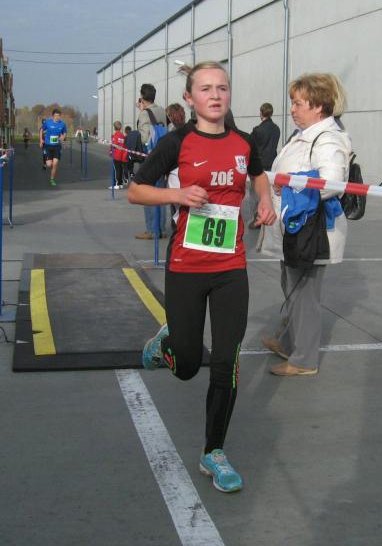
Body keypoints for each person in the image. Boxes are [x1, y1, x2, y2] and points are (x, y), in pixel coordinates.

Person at [128, 61, 276, 493]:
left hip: (230, 267)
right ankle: (166, 344)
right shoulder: (176, 142)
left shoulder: (244, 142)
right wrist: (176, 193)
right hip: (186, 266)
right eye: (206, 89)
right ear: (190, 98)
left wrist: (265, 201)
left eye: (222, 88)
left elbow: (259, 177)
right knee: (188, 366)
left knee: (227, 360)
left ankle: (214, 452)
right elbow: (136, 189)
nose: (215, 95)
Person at [258, 73, 351, 377]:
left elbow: (331, 183)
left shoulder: (327, 139)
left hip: (312, 232)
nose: (293, 109)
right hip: (295, 228)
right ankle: (289, 342)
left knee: (304, 295)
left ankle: (304, 360)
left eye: (298, 103)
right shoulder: (305, 134)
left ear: (319, 106)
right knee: (292, 287)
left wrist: (289, 186)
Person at [135, 83, 168, 239]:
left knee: (147, 193)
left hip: (150, 157)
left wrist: (142, 113)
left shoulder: (144, 114)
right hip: (164, 156)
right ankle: (161, 229)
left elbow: (144, 138)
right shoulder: (161, 110)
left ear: (142, 97)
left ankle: (151, 230)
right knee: (161, 193)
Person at [246, 102, 281, 228]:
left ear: (261, 113)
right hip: (272, 163)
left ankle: (257, 217)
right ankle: (269, 215)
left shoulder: (257, 130)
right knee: (270, 193)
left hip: (259, 165)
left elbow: (250, 145)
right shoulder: (276, 129)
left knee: (255, 193)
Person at [41, 109, 67, 186]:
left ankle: (52, 179)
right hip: (48, 146)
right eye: (55, 116)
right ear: (53, 116)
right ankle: (48, 161)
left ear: (60, 116)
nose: (57, 117)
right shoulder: (48, 122)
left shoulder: (62, 124)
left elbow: (65, 133)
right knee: (49, 165)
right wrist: (41, 140)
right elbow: (41, 130)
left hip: (57, 146)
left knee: (55, 164)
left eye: (58, 116)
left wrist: (63, 137)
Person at [109, 121, 128, 189]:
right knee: (120, 169)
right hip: (122, 154)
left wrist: (110, 151)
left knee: (116, 169)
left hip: (116, 154)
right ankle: (120, 183)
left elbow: (114, 144)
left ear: (114, 127)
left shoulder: (115, 135)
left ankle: (116, 184)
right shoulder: (122, 135)